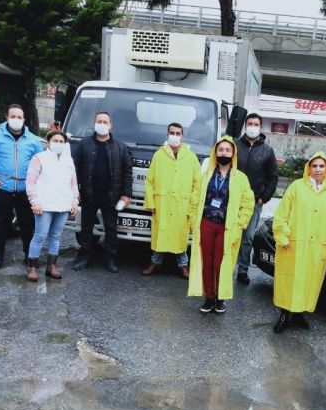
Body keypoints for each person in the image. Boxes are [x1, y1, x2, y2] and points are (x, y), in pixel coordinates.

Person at [271, 152, 326, 333]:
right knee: (289, 280)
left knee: (309, 282)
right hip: (294, 244)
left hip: (318, 247)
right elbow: (282, 214)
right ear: (308, 168)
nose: (318, 169)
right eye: (314, 166)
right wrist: (282, 235)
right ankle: (284, 313)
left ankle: (298, 314)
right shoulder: (296, 187)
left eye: (321, 166)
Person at [188, 136, 254, 314]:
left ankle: (220, 298)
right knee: (207, 263)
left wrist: (240, 224)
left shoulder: (241, 178)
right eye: (220, 150)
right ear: (215, 153)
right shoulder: (206, 176)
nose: (223, 153)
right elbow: (195, 199)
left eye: (227, 150)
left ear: (233, 154)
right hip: (206, 224)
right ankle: (209, 297)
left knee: (221, 263)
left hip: (227, 228)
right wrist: (192, 220)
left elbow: (248, 204)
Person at [0, 104, 43, 269]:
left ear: (24, 120)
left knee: (27, 223)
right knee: (2, 222)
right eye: (13, 116)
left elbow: (42, 163)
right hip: (3, 187)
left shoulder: (33, 140)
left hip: (24, 189)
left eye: (19, 117)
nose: (16, 120)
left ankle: (29, 254)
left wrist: (36, 184)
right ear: (7, 117)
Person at [71, 111, 133, 273]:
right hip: (89, 194)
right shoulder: (84, 144)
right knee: (86, 227)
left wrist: (126, 194)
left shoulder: (120, 147)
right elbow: (74, 168)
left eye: (105, 122)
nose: (102, 124)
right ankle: (84, 257)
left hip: (111, 196)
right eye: (99, 121)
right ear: (94, 123)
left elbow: (127, 172)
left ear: (110, 125)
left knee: (111, 228)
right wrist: (74, 191)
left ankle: (110, 258)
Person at [142, 123, 201, 279]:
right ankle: (154, 263)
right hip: (163, 204)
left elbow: (197, 184)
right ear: (167, 134)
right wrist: (151, 203)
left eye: (178, 133)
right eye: (172, 132)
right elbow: (149, 181)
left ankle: (183, 266)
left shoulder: (191, 157)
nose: (174, 135)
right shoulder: (159, 155)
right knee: (162, 235)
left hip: (182, 205)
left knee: (180, 237)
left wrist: (192, 205)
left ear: (183, 136)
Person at [24, 130, 79, 281]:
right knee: (40, 235)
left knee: (55, 236)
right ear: (48, 142)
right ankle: (32, 267)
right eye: (55, 140)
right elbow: (30, 182)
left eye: (61, 141)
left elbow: (73, 185)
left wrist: (74, 202)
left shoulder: (69, 161)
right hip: (44, 205)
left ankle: (52, 266)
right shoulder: (39, 158)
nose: (58, 144)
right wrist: (35, 202)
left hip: (62, 205)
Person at [234, 113, 279, 285]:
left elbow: (273, 177)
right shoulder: (235, 146)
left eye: (256, 124)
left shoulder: (267, 151)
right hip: (232, 200)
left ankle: (243, 270)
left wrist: (263, 198)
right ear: (246, 126)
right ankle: (224, 268)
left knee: (247, 237)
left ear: (260, 127)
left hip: (253, 202)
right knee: (229, 234)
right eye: (250, 123)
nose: (252, 126)